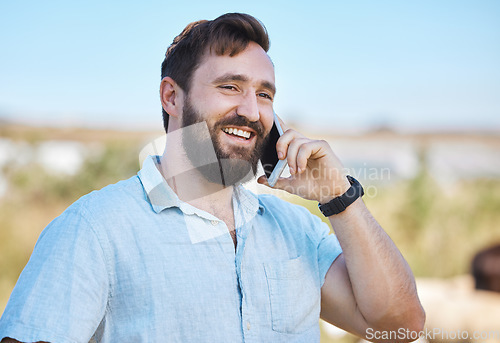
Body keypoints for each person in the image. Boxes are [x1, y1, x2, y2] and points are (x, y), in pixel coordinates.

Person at [0, 13, 425, 343]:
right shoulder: (94, 229)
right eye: (230, 86)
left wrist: (339, 197)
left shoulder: (296, 230)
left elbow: (401, 327)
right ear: (171, 96)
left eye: (264, 93)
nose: (252, 110)